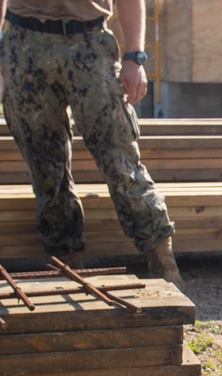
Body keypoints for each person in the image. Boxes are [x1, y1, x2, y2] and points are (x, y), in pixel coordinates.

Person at [0, 0, 183, 286]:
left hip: (89, 43)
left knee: (119, 158)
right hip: (25, 44)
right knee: (45, 166)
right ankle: (64, 263)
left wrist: (135, 57)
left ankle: (162, 261)